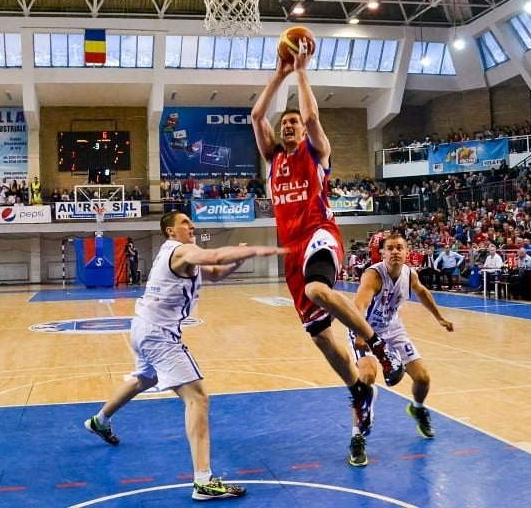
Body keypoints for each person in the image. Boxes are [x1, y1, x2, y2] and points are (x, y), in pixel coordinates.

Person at [251, 36, 402, 437]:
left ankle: (378, 346)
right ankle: (357, 389)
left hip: (320, 233)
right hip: (291, 250)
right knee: (319, 336)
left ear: (303, 129)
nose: (288, 124)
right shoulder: (273, 159)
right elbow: (255, 115)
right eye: (285, 122)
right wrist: (278, 74)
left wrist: (300, 72)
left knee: (319, 290)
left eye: (294, 121)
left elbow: (314, 117)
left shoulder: (315, 154)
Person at [82, 212, 283, 501]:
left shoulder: (185, 255)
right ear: (170, 231)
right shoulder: (180, 250)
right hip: (158, 334)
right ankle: (204, 481)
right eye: (185, 222)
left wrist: (239, 258)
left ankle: (100, 421)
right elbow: (213, 255)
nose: (192, 226)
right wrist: (251, 249)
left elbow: (214, 272)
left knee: (143, 378)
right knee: (197, 398)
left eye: (192, 222)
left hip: (143, 327)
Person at [347, 232, 454, 466]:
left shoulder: (409, 274)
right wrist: (359, 333)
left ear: (407, 252)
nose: (395, 251)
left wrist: (439, 318)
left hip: (393, 329)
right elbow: (358, 306)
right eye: (390, 248)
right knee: (366, 376)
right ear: (382, 253)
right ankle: (356, 437)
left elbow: (423, 293)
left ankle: (417, 409)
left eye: (400, 248)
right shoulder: (373, 276)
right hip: (365, 330)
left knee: (423, 378)